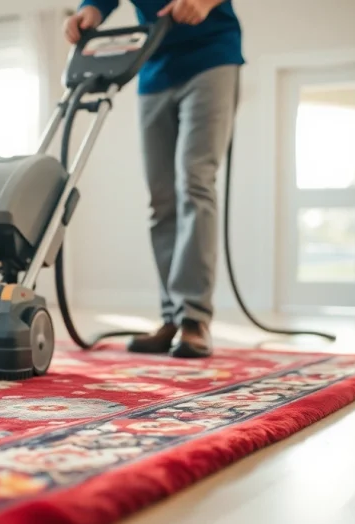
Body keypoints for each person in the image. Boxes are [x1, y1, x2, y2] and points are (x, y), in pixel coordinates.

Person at [63, 0, 243, 358]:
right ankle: (172, 318)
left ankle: (194, 318)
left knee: (195, 183)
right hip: (154, 65)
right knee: (161, 198)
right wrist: (90, 11)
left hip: (212, 57)